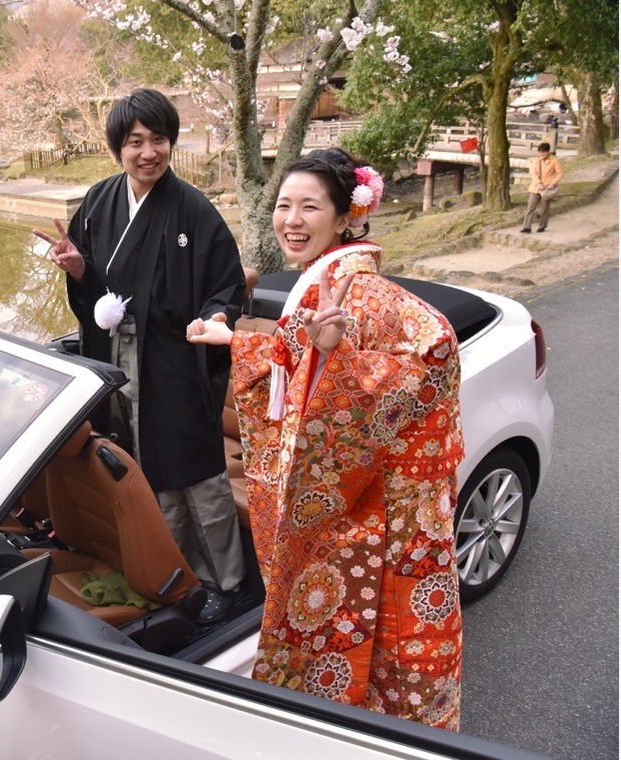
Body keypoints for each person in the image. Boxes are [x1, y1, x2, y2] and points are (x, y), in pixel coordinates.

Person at [187, 147, 465, 729]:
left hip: (378, 512)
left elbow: (436, 351)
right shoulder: (322, 286)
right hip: (348, 496)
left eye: (310, 206)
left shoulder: (365, 292)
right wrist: (234, 341)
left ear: (345, 218)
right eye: (284, 204)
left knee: (382, 640)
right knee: (348, 641)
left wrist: (341, 360)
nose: (292, 218)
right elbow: (297, 355)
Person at [34, 89, 252, 624]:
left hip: (176, 358)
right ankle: (171, 575)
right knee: (141, 468)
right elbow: (94, 284)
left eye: (158, 139)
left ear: (171, 142)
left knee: (196, 475)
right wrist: (78, 271)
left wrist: (216, 317)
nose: (148, 152)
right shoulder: (101, 201)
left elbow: (225, 284)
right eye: (135, 142)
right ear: (117, 149)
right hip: (116, 355)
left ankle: (225, 581)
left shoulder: (194, 209)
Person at [521, 142, 563, 233]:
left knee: (545, 208)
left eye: (543, 152)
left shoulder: (554, 160)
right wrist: (538, 183)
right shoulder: (537, 160)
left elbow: (559, 173)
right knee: (530, 207)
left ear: (547, 151)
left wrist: (553, 183)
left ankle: (542, 226)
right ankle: (526, 227)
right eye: (540, 152)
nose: (541, 154)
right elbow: (533, 173)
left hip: (547, 187)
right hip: (535, 187)